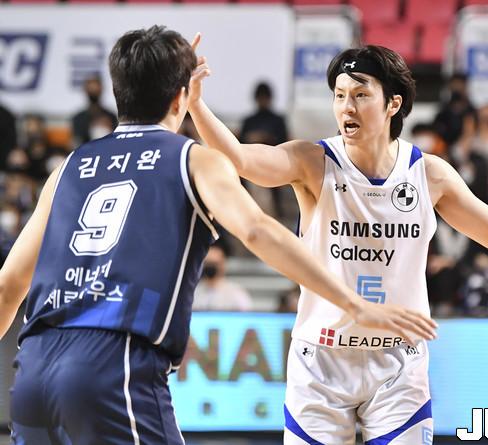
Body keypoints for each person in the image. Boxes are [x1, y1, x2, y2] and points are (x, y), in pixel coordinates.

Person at [0, 27, 436, 445]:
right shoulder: (191, 159)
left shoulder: (67, 167)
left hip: (34, 368)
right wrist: (355, 304)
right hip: (114, 362)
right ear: (181, 97)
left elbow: (8, 286)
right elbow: (256, 229)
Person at [189, 41, 488, 444]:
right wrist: (196, 105)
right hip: (321, 359)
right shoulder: (312, 160)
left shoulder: (429, 173)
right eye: (339, 95)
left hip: (397, 364)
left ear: (393, 104)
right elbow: (241, 159)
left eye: (360, 95)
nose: (347, 106)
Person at [192, 242, 252, 311]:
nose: (210, 267)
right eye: (207, 263)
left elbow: (246, 314)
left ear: (223, 265)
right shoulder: (194, 293)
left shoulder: (236, 293)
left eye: (214, 263)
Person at [71, 74, 119, 145]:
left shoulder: (111, 117)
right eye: (90, 87)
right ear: (85, 90)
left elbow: (116, 139)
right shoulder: (79, 118)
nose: (93, 89)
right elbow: (77, 141)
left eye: (96, 87)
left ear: (101, 89)